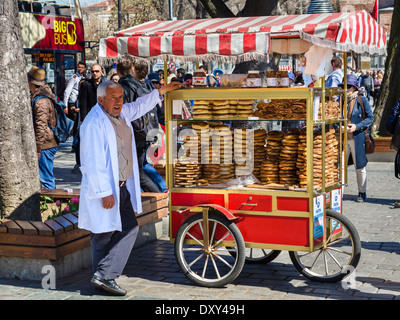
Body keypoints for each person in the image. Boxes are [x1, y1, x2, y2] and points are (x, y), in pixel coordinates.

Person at [78, 79, 182, 295]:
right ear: (100, 100)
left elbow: (138, 106)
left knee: (116, 231)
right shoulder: (93, 123)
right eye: (113, 98)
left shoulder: (120, 114)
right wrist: (104, 192)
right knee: (109, 232)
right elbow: (92, 162)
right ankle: (105, 276)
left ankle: (102, 277)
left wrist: (161, 91)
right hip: (108, 188)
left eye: (121, 97)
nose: (118, 102)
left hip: (122, 186)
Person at [117, 57, 161, 192]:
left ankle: (158, 195)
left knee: (137, 170)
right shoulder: (144, 85)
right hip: (144, 132)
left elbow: (124, 112)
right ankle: (159, 191)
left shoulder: (123, 87)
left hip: (133, 134)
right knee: (140, 166)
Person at [340, 74, 374, 203]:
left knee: (359, 166)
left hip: (357, 137)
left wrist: (357, 126)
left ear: (354, 87)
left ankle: (362, 191)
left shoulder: (362, 100)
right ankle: (340, 192)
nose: (346, 89)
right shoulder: (340, 100)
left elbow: (370, 118)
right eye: (344, 87)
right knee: (341, 167)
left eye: (348, 87)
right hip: (343, 138)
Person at [28, 66, 59, 189]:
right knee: (45, 176)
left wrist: (38, 148)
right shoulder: (41, 95)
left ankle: (52, 204)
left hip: (46, 144)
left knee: (46, 178)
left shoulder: (41, 101)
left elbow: (41, 126)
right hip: (46, 143)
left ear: (31, 83)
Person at [73, 64, 105, 173]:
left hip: (103, 119)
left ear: (101, 72)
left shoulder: (105, 85)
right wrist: (85, 121)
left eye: (97, 71)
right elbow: (83, 104)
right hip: (90, 119)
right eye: (93, 71)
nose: (94, 73)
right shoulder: (86, 84)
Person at [63, 61, 86, 142]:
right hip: (73, 103)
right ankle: (74, 142)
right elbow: (67, 91)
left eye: (82, 67)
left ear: (85, 69)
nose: (80, 69)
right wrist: (65, 105)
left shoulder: (84, 78)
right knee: (75, 123)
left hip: (80, 102)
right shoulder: (74, 78)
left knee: (79, 123)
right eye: (79, 67)